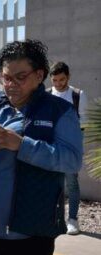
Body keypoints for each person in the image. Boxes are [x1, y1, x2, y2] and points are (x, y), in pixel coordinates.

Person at [0, 40, 83, 255]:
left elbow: (71, 160)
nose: (11, 84)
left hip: (31, 232)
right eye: (5, 77)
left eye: (20, 77)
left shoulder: (60, 111)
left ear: (39, 75)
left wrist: (21, 145)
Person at [48, 61, 87, 235]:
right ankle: (54, 219)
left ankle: (72, 219)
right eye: (55, 80)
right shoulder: (47, 95)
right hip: (50, 145)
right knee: (52, 182)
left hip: (70, 146)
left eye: (61, 80)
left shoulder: (77, 95)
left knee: (71, 182)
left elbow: (83, 124)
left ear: (68, 77)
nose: (58, 84)